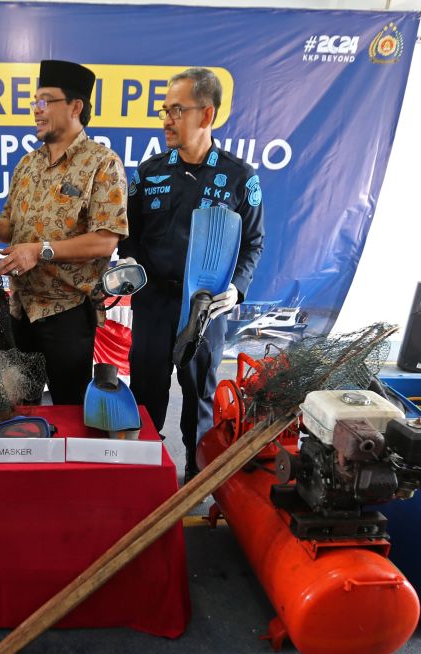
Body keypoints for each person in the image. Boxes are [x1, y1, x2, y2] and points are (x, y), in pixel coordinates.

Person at [117, 68, 265, 479]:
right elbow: (129, 239)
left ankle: (196, 479)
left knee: (200, 397)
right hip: (154, 304)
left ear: (206, 115)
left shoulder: (240, 178)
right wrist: (127, 264)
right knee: (145, 395)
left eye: (176, 110)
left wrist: (236, 289)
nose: (166, 119)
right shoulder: (148, 174)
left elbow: (253, 244)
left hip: (205, 308)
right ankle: (144, 476)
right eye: (165, 110)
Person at [0, 60, 128, 404]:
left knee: (69, 410)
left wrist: (39, 250)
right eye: (34, 102)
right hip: (20, 310)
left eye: (45, 101)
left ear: (75, 106)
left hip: (67, 312)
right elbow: (10, 229)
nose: (36, 110)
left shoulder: (102, 163)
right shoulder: (27, 164)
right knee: (20, 407)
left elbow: (106, 240)